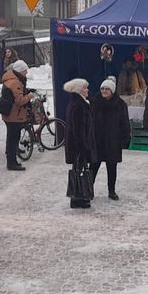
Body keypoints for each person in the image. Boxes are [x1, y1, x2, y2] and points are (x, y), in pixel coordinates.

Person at [90, 77, 130, 200]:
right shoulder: (94, 102)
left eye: (107, 89)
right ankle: (89, 189)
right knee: (93, 166)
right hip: (97, 140)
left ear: (112, 90)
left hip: (113, 140)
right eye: (102, 88)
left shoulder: (120, 104)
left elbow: (125, 123)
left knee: (112, 167)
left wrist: (124, 139)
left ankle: (111, 190)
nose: (104, 91)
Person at [63, 78, 97, 209]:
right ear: (78, 90)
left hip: (78, 145)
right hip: (79, 146)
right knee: (79, 171)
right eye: (84, 88)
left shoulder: (78, 103)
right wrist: (83, 148)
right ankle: (78, 197)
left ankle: (78, 196)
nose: (87, 90)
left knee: (78, 170)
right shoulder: (79, 105)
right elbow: (78, 129)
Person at [0, 60, 34, 172]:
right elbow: (19, 101)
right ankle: (11, 162)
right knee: (13, 139)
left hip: (11, 114)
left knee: (12, 139)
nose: (26, 73)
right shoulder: (15, 82)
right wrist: (29, 96)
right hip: (14, 115)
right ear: (20, 71)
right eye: (25, 71)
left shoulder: (11, 80)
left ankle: (12, 160)